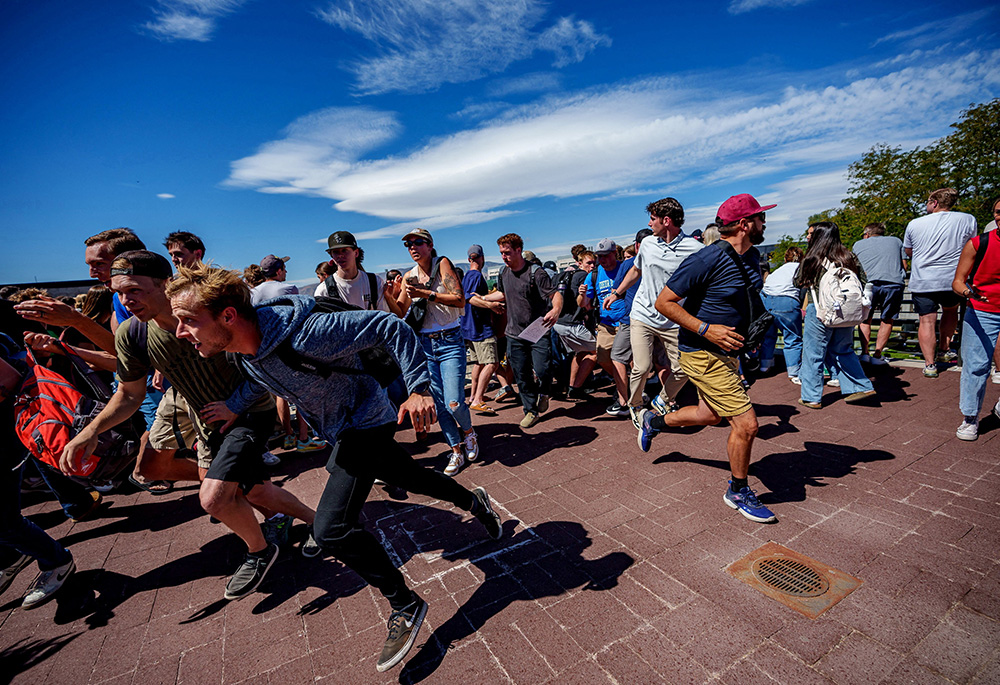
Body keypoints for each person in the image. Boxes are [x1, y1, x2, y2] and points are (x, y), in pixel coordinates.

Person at [165, 262, 504, 673]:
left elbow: (388, 326)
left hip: (367, 420)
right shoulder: (244, 350)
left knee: (331, 528)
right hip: (342, 430)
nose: (181, 332)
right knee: (410, 477)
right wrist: (234, 406)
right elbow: (260, 378)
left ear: (228, 316)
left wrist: (416, 389)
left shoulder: (306, 334)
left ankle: (405, 603)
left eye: (188, 321)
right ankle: (476, 502)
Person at [60, 251, 317, 600]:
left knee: (214, 498)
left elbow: (263, 360)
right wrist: (90, 432)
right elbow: (129, 395)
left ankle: (259, 551)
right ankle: (319, 524)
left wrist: (233, 405)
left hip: (248, 414)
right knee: (252, 490)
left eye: (134, 289)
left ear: (164, 284)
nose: (126, 300)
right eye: (118, 293)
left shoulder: (210, 313)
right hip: (207, 422)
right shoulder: (133, 334)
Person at [636, 193, 778, 524]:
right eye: (760, 218)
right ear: (744, 224)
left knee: (708, 414)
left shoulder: (753, 256)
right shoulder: (706, 258)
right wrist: (707, 329)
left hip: (729, 353)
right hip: (701, 351)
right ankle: (738, 490)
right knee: (747, 424)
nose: (764, 223)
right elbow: (664, 302)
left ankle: (652, 421)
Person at [606, 199, 704, 425]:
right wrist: (617, 293)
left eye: (652, 219)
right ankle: (635, 406)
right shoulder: (648, 243)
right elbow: (636, 270)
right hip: (642, 315)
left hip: (673, 319)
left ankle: (663, 400)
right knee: (641, 367)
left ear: (666, 220)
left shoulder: (695, 249)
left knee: (682, 369)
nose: (649, 224)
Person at [0, 334, 77, 610]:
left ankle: (56, 561)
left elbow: (8, 383)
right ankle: (9, 558)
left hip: (5, 436)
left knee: (3, 519)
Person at [397, 229, 478, 476]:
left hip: (450, 340)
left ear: (430, 245)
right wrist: (388, 294)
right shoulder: (408, 276)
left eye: (418, 242)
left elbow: (459, 299)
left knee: (454, 402)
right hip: (425, 344)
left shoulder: (441, 264)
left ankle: (468, 433)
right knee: (440, 404)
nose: (413, 247)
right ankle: (455, 450)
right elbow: (399, 311)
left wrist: (426, 294)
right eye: (408, 244)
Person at [482, 234, 563, 428]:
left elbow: (555, 294)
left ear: (519, 250)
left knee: (543, 370)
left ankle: (544, 392)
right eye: (501, 253)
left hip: (538, 330)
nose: (504, 257)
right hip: (514, 334)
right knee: (522, 375)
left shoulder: (536, 273)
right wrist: (484, 299)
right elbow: (503, 294)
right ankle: (530, 411)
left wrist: (556, 309)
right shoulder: (503, 273)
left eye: (507, 252)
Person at [794, 222, 877, 408]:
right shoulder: (848, 257)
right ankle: (859, 387)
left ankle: (811, 397)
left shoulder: (812, 258)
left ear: (819, 237)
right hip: (845, 311)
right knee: (844, 349)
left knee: (813, 353)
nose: (807, 237)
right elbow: (863, 281)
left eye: (810, 234)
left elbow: (798, 281)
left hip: (820, 309)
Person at [903, 188, 978, 377]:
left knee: (926, 320)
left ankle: (930, 364)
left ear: (934, 202)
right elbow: (972, 246)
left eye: (927, 202)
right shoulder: (967, 219)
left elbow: (909, 251)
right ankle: (944, 349)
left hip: (923, 279)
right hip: (953, 279)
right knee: (951, 311)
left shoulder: (914, 223)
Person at [952, 226, 1000, 440]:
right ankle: (970, 418)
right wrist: (968, 293)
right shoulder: (978, 243)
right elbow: (958, 281)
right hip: (982, 312)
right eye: (998, 212)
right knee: (976, 366)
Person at [580, 238, 635, 417]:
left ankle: (630, 394)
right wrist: (581, 296)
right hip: (606, 324)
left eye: (605, 256)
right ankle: (624, 384)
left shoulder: (625, 268)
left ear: (614, 253)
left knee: (634, 361)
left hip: (626, 322)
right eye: (599, 256)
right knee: (603, 357)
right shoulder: (594, 274)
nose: (601, 260)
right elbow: (584, 304)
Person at [852, 222, 908, 365]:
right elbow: (905, 265)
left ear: (867, 234)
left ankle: (864, 353)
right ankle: (877, 355)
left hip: (869, 284)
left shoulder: (858, 245)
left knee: (865, 319)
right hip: (894, 284)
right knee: (887, 319)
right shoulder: (896, 241)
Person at [462, 244, 504, 414]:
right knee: (492, 363)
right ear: (482, 258)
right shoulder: (477, 276)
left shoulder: (466, 276)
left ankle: (473, 396)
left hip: (468, 327)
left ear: (468, 259)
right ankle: (478, 399)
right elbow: (470, 298)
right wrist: (490, 306)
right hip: (480, 327)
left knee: (478, 363)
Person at [552, 250, 598, 401]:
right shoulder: (584, 277)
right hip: (572, 324)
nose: (592, 266)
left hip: (560, 323)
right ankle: (576, 387)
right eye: (588, 263)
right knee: (597, 352)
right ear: (579, 263)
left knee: (580, 353)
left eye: (593, 263)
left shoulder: (568, 275)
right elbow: (587, 304)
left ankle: (572, 387)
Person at [760, 246, 804, 382]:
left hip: (766, 299)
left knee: (768, 335)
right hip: (787, 301)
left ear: (785, 258)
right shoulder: (801, 269)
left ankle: (765, 365)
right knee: (792, 337)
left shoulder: (778, 271)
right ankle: (793, 371)